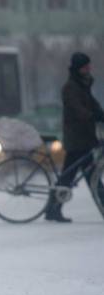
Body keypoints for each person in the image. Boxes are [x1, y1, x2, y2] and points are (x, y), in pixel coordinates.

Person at [45, 52, 104, 222]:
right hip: (77, 139)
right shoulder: (71, 87)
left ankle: (52, 209)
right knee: (90, 176)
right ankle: (52, 209)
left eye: (88, 66)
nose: (88, 68)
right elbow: (78, 110)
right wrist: (93, 116)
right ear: (78, 68)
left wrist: (101, 115)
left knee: (69, 176)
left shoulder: (82, 86)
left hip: (83, 138)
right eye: (85, 66)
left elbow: (94, 106)